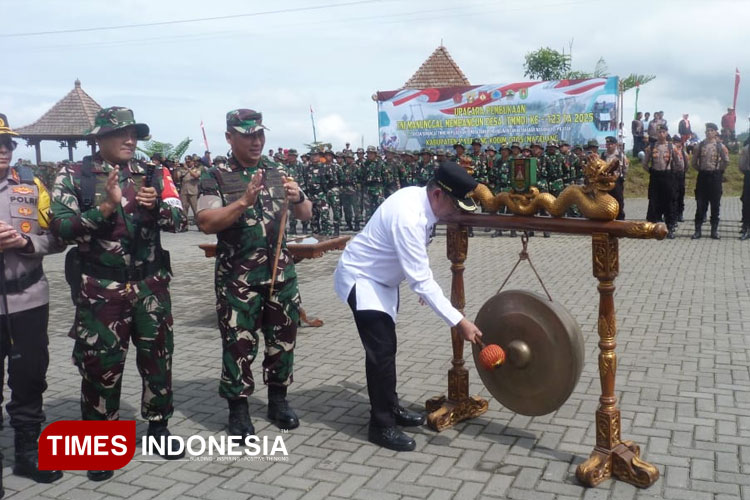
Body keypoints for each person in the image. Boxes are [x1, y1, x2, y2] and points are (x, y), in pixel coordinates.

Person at [50, 107, 188, 480]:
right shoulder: (74, 175)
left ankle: (158, 427)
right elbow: (61, 228)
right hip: (101, 288)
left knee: (158, 358)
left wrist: (158, 206)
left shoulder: (154, 173)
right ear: (99, 138)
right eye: (121, 134)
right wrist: (106, 207)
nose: (130, 140)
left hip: (150, 285)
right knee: (100, 365)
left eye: (134, 134)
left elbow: (180, 220)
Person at [333, 161, 483, 452]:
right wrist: (459, 321)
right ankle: (381, 425)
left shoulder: (422, 201)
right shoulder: (409, 215)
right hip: (363, 279)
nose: (455, 213)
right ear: (438, 194)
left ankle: (391, 407)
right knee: (381, 354)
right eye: (454, 205)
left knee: (387, 350)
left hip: (384, 281)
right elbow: (422, 278)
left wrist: (419, 284)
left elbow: (418, 271)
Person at [196, 109, 312, 437]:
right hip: (238, 278)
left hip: (280, 274)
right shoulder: (215, 175)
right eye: (248, 136)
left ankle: (278, 400)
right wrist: (243, 203)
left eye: (260, 134)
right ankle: (239, 409)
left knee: (283, 340)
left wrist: (299, 196)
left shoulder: (278, 170)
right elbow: (206, 222)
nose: (256, 141)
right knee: (238, 344)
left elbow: (306, 213)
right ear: (230, 138)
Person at [0, 113, 64, 490]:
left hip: (28, 300)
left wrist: (26, 243)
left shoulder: (32, 187)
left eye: (6, 143)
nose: (2, 150)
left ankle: (27, 454)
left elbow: (58, 237)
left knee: (29, 378)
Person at [643, 125, 683, 239]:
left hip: (668, 177)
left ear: (666, 133)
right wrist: (651, 170)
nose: (661, 134)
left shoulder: (672, 147)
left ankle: (670, 228)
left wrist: (673, 173)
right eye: (659, 132)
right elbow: (644, 163)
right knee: (654, 201)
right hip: (655, 177)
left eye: (663, 132)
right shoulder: (651, 147)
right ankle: (653, 228)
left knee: (669, 202)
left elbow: (679, 164)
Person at [691, 123, 729, 239]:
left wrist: (718, 170)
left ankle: (714, 231)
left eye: (712, 130)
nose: (709, 133)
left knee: (715, 205)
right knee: (700, 204)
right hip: (703, 177)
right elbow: (693, 163)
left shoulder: (720, 146)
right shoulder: (699, 146)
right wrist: (702, 170)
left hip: (715, 177)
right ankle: (698, 231)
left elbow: (726, 161)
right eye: (707, 131)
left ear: (716, 132)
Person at [601, 136, 628, 220]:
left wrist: (622, 178)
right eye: (607, 144)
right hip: (605, 181)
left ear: (615, 145)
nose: (609, 146)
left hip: (616, 181)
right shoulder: (603, 155)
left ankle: (620, 219)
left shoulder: (620, 155)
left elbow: (625, 167)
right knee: (605, 201)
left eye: (611, 144)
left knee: (618, 200)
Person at [740, 137, 750, 240]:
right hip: (749, 176)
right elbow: (741, 166)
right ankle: (746, 228)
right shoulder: (746, 149)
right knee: (747, 204)